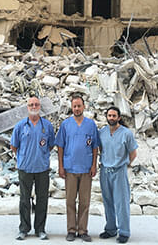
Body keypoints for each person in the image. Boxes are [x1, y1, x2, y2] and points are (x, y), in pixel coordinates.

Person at [11, 96, 56, 241]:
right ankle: (24, 229)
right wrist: (23, 157)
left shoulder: (47, 126)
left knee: (42, 199)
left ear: (40, 107)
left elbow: (50, 145)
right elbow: (14, 146)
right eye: (31, 104)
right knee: (24, 199)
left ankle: (40, 229)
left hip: (42, 168)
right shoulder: (20, 126)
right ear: (27, 107)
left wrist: (41, 156)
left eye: (36, 104)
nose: (34, 106)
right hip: (25, 168)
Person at [56, 94, 100, 242]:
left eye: (79, 106)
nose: (76, 108)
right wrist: (61, 166)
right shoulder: (65, 125)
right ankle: (71, 230)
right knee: (70, 201)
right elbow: (60, 146)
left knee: (85, 201)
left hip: (86, 168)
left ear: (83, 106)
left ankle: (82, 230)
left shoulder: (91, 125)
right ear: (71, 107)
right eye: (74, 106)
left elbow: (95, 147)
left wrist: (94, 164)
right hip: (70, 168)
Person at [98, 106, 138, 244]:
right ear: (106, 117)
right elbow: (101, 149)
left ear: (119, 117)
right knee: (107, 201)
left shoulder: (126, 133)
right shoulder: (102, 132)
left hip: (119, 171)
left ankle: (124, 231)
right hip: (105, 171)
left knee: (121, 202)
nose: (111, 118)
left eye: (114, 116)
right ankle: (110, 229)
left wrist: (125, 164)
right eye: (109, 115)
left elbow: (133, 153)